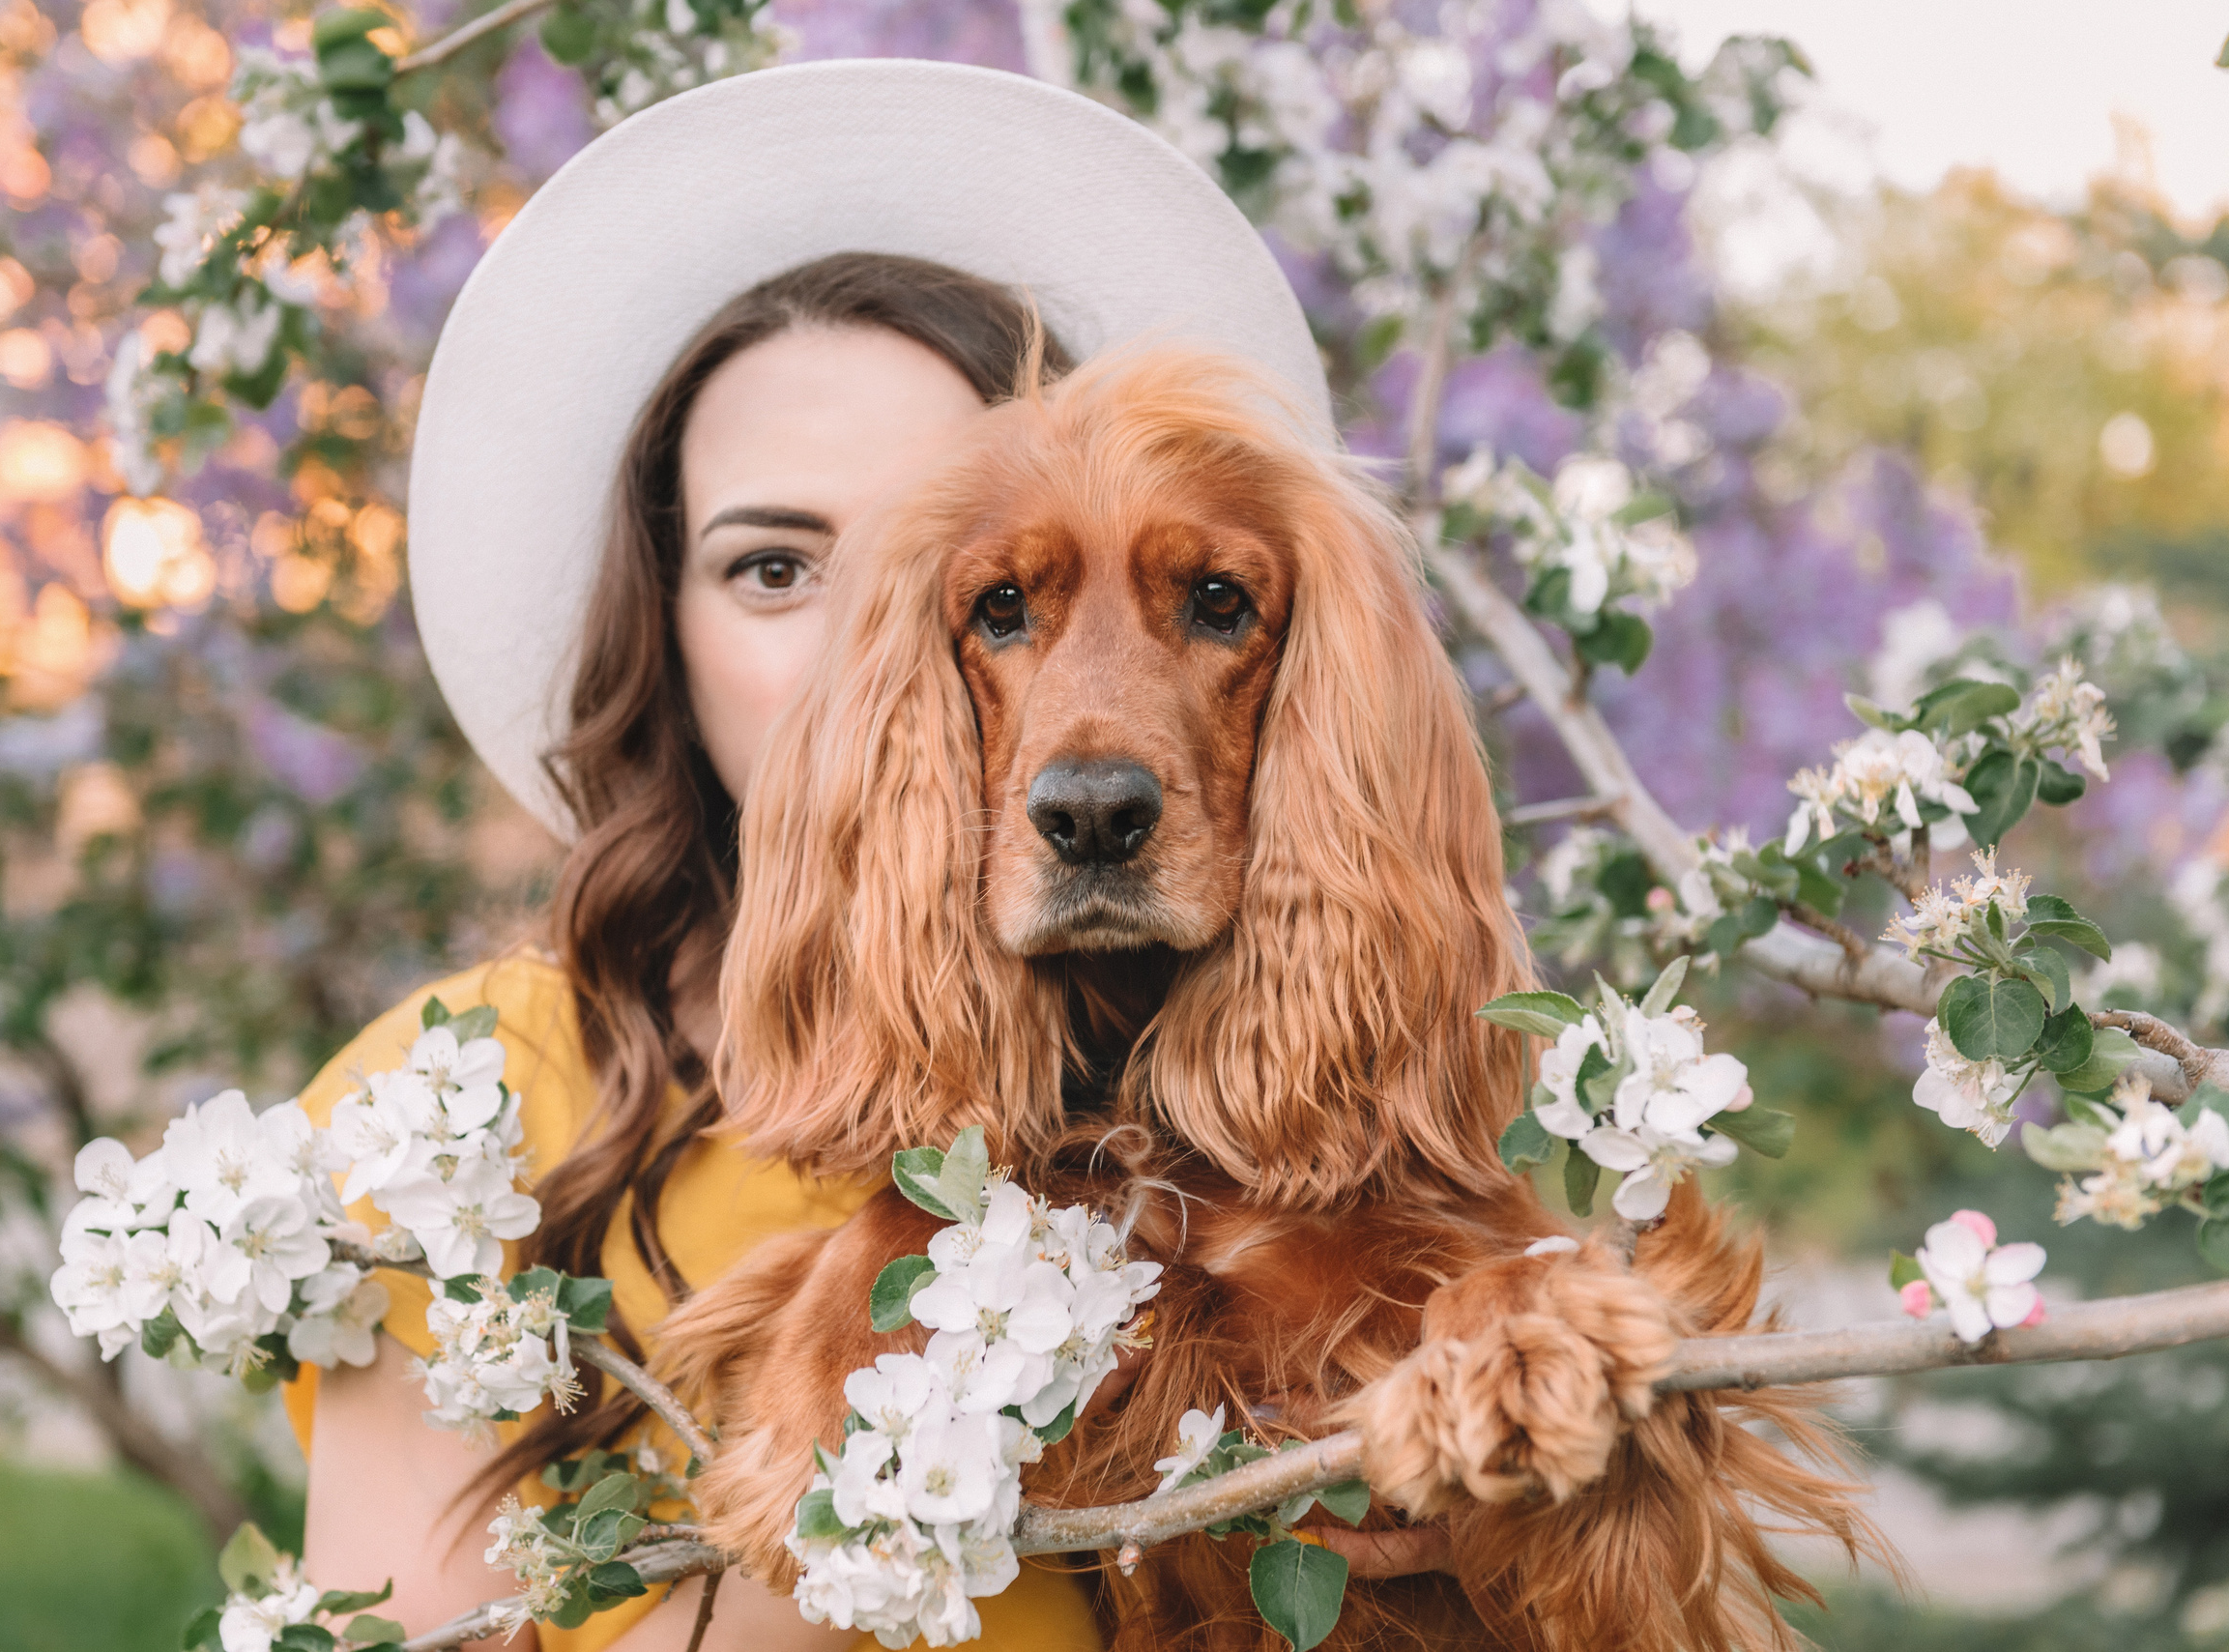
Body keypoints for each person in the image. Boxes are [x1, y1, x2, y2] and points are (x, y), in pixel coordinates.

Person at [278, 57, 1425, 1651]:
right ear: (662, 628)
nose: (859, 655)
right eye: (773, 568)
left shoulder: (1254, 1083)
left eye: (950, 579)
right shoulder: (460, 1108)